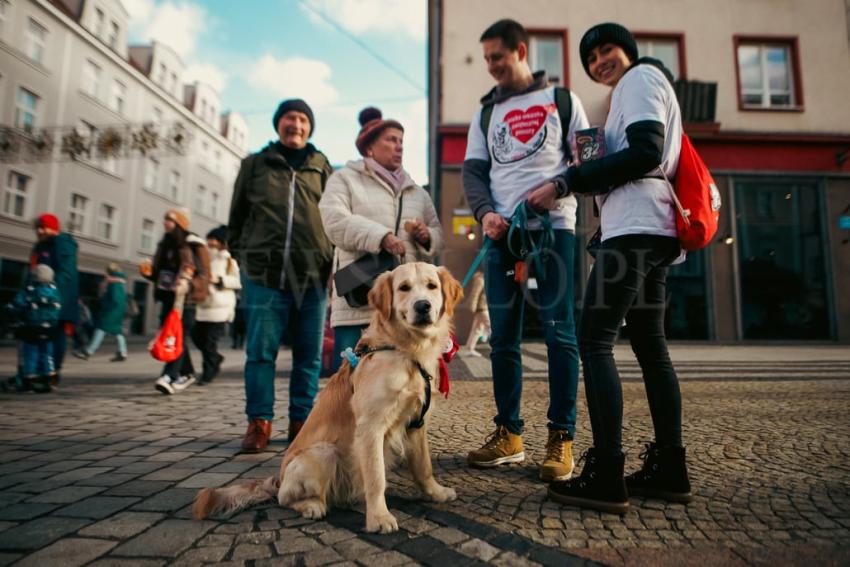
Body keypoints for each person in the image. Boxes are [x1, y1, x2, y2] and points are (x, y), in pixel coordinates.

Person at [545, 23, 691, 514]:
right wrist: (592, 164)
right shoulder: (633, 90)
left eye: (607, 49)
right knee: (650, 344)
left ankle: (607, 471)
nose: (600, 60)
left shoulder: (640, 79)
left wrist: (570, 180)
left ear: (627, 51)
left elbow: (647, 150)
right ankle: (670, 466)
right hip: (652, 228)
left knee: (593, 338)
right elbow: (636, 153)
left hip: (633, 230)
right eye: (592, 57)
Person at [461, 19, 589, 482]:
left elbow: (588, 157)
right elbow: (473, 172)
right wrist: (484, 213)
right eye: (487, 58)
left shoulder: (562, 101)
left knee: (560, 333)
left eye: (498, 56)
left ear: (520, 50)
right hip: (501, 235)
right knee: (502, 339)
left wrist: (559, 185)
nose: (492, 66)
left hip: (555, 227)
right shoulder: (484, 114)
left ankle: (562, 437)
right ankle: (509, 434)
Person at [228, 98, 334, 452]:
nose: (297, 125)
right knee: (260, 353)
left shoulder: (322, 167)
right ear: (278, 123)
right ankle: (259, 423)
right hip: (264, 277)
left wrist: (329, 260)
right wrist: (245, 259)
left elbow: (334, 218)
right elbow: (237, 217)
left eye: (304, 119)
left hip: (312, 278)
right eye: (291, 117)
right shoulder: (255, 164)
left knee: (309, 357)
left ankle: (301, 423)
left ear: (310, 127)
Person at [319, 107, 443, 371]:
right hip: (359, 299)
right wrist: (381, 236)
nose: (398, 146)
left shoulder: (417, 192)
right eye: (390, 140)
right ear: (369, 147)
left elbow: (438, 234)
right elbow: (333, 220)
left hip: (404, 309)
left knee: (403, 379)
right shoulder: (344, 180)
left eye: (401, 141)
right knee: (353, 379)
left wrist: (427, 236)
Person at [141, 207, 210, 395]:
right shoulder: (165, 244)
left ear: (180, 223)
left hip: (185, 300)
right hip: (167, 298)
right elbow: (160, 273)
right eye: (165, 219)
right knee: (176, 337)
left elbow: (204, 275)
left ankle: (168, 376)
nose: (165, 223)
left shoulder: (194, 244)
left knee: (176, 336)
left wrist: (188, 284)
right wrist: (149, 273)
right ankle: (187, 373)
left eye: (169, 219)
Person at [30, 213, 79, 377]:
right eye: (37, 227)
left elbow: (64, 273)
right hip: (42, 297)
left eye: (42, 227)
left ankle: (53, 370)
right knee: (41, 334)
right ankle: (37, 370)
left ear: (52, 229)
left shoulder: (62, 244)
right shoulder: (41, 246)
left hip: (57, 299)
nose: (39, 231)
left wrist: (52, 295)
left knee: (56, 334)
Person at [192, 225, 241, 384]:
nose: (210, 242)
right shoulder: (203, 258)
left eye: (213, 239)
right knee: (197, 337)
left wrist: (219, 280)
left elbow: (238, 282)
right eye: (209, 239)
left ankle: (209, 371)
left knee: (209, 341)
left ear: (221, 242)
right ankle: (216, 358)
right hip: (204, 305)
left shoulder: (229, 260)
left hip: (220, 306)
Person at [7, 264, 61, 392]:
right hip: (49, 329)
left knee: (30, 354)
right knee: (47, 354)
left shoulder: (30, 289)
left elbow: (18, 303)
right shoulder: (54, 291)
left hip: (31, 328)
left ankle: (29, 380)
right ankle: (50, 378)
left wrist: (10, 309)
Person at [74, 263, 128, 361]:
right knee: (118, 332)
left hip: (111, 312)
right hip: (117, 311)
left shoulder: (114, 284)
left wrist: (104, 300)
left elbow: (115, 299)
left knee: (100, 329)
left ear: (110, 272)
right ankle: (122, 352)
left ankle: (88, 352)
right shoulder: (119, 282)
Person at [461, 271, 490, 357]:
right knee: (491, 326)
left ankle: (470, 348)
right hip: (482, 308)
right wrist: (473, 306)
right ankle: (498, 347)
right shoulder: (481, 280)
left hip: (482, 307)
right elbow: (475, 294)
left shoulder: (483, 279)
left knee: (477, 329)